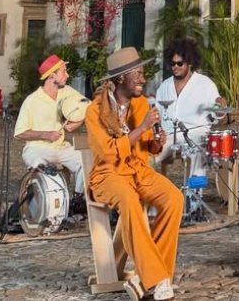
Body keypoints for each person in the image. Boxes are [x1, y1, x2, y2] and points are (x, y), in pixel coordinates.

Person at [85, 46, 183, 301]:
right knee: (129, 201)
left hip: (138, 171)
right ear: (120, 79)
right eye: (137, 74)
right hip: (107, 175)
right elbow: (107, 153)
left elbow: (147, 147)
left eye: (142, 73)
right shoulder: (95, 111)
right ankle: (159, 279)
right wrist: (141, 128)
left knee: (174, 198)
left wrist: (157, 142)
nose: (143, 78)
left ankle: (144, 277)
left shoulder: (140, 103)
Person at [14, 54, 88, 197]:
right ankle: (47, 203)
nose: (67, 75)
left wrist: (77, 122)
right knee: (41, 167)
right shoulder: (32, 101)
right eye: (63, 71)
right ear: (52, 75)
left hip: (61, 148)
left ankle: (77, 199)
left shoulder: (67, 92)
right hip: (37, 149)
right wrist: (44, 135)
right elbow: (19, 132)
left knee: (86, 161)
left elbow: (88, 106)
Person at [155, 37, 225, 173]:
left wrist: (220, 108)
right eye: (172, 63)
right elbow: (157, 114)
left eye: (179, 64)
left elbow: (216, 113)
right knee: (144, 156)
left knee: (197, 152)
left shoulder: (206, 84)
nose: (175, 67)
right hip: (168, 136)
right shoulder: (164, 86)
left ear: (190, 63)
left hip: (195, 135)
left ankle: (194, 192)